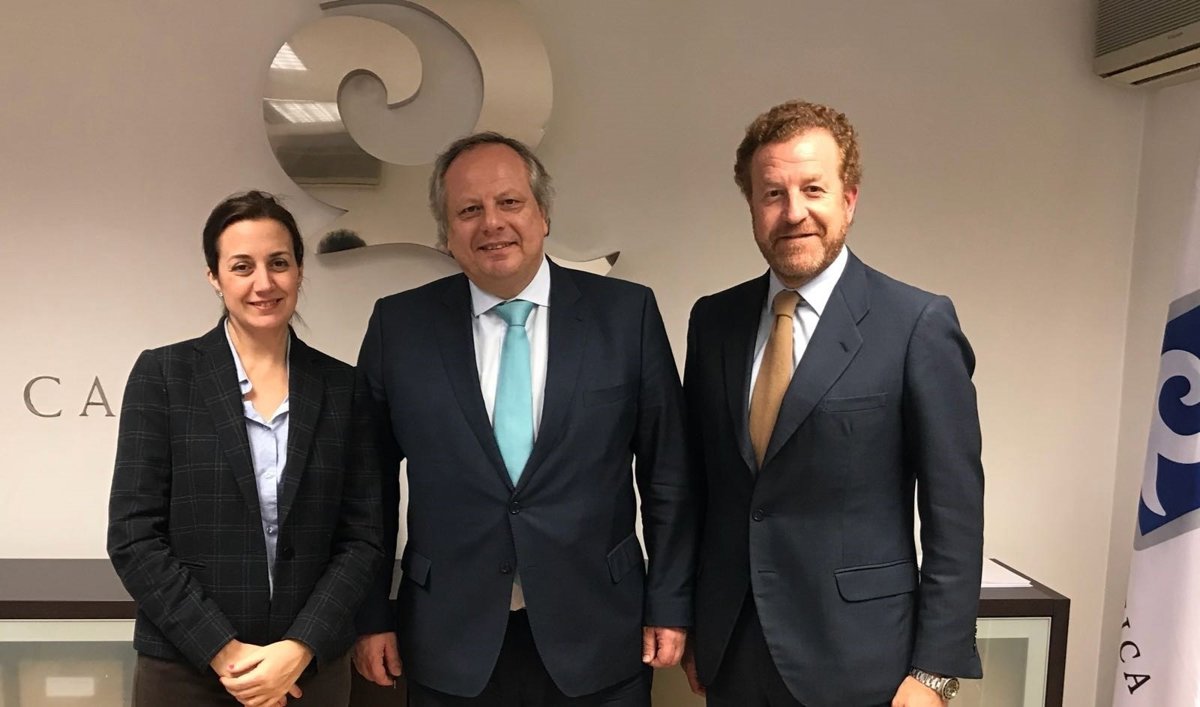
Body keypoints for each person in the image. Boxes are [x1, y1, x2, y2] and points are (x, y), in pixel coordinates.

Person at [352, 132, 697, 706]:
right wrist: (370, 616)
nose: (492, 223)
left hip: (600, 631)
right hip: (449, 638)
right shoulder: (399, 327)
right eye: (469, 210)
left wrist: (670, 601)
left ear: (543, 214)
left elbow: (669, 475)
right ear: (446, 232)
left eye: (509, 202)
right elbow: (368, 488)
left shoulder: (626, 315)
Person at [681, 101, 985, 707]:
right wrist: (690, 619)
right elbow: (697, 487)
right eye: (773, 193)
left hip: (862, 660)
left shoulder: (916, 324)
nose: (793, 212)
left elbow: (954, 511)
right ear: (752, 207)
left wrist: (935, 671)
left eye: (812, 189)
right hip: (732, 653)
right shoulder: (713, 321)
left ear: (849, 199)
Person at [107, 190, 384, 707]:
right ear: (214, 277)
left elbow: (362, 539)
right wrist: (224, 651)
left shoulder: (344, 388)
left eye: (278, 263)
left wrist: (300, 648)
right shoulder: (164, 376)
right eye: (242, 266)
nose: (264, 283)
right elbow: (133, 536)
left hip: (308, 672)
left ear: (299, 270)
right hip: (187, 670)